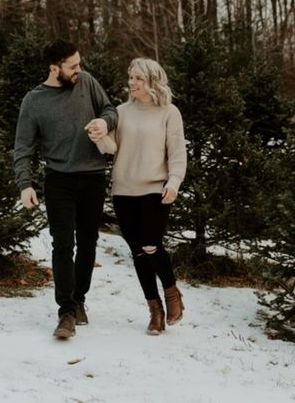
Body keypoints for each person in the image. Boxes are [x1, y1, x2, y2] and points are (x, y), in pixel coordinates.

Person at [13, 39, 118, 340]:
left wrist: (103, 120)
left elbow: (111, 110)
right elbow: (23, 147)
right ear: (53, 68)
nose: (79, 70)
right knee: (62, 243)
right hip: (58, 179)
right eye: (72, 66)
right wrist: (25, 184)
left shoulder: (87, 82)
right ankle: (66, 312)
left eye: (79, 64)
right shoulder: (34, 101)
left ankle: (80, 298)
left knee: (88, 242)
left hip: (94, 177)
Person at [94, 57, 187, 336]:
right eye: (130, 77)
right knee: (137, 252)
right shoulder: (121, 111)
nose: (131, 83)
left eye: (137, 78)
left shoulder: (169, 112)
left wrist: (174, 182)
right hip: (123, 190)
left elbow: (177, 152)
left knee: (150, 245)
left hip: (154, 188)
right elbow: (112, 148)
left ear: (152, 81)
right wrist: (98, 134)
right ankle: (154, 310)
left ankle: (171, 293)